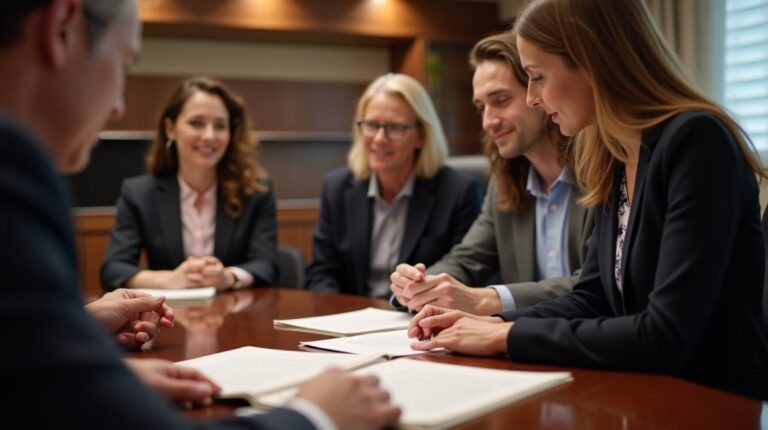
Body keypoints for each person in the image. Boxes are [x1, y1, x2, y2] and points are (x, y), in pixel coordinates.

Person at [0, 1, 400, 428]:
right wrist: (313, 416)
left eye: (220, 125)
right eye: (124, 62)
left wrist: (92, 341)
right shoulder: (17, 171)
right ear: (61, 26)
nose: (118, 105)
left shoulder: (255, 190)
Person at [408, 0, 768, 400]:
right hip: (642, 395)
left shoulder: (696, 141)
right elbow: (592, 297)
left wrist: (506, 334)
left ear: (591, 60)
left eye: (537, 76)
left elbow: (664, 335)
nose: (531, 98)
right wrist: (489, 321)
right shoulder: (613, 152)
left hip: (713, 404)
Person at [389, 31, 593, 315]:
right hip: (524, 348)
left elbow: (597, 286)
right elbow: (467, 259)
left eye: (500, 100)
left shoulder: (603, 173)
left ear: (540, 94)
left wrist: (487, 299)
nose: (487, 122)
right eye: (481, 107)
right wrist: (419, 286)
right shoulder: (504, 184)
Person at [305, 73, 482, 298]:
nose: (379, 138)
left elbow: (464, 275)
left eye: (395, 127)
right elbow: (322, 272)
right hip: (350, 322)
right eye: (371, 125)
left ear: (421, 136)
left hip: (420, 321)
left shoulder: (459, 191)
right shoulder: (337, 187)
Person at [100, 76, 278, 292]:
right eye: (196, 123)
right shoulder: (139, 194)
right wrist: (169, 280)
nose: (209, 135)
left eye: (220, 126)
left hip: (237, 315)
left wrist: (228, 277)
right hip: (167, 318)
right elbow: (113, 268)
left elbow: (266, 264)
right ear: (170, 129)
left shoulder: (256, 192)